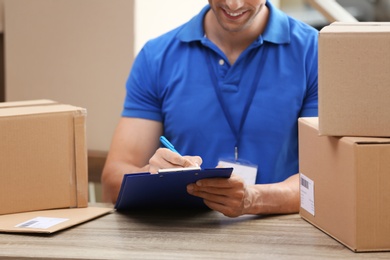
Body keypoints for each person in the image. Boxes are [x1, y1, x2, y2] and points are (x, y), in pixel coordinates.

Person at [101, 0, 318, 217]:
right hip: (183, 233)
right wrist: (152, 177)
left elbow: (327, 179)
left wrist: (253, 199)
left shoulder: (314, 52)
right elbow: (113, 183)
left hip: (281, 236)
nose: (234, 4)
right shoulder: (156, 56)